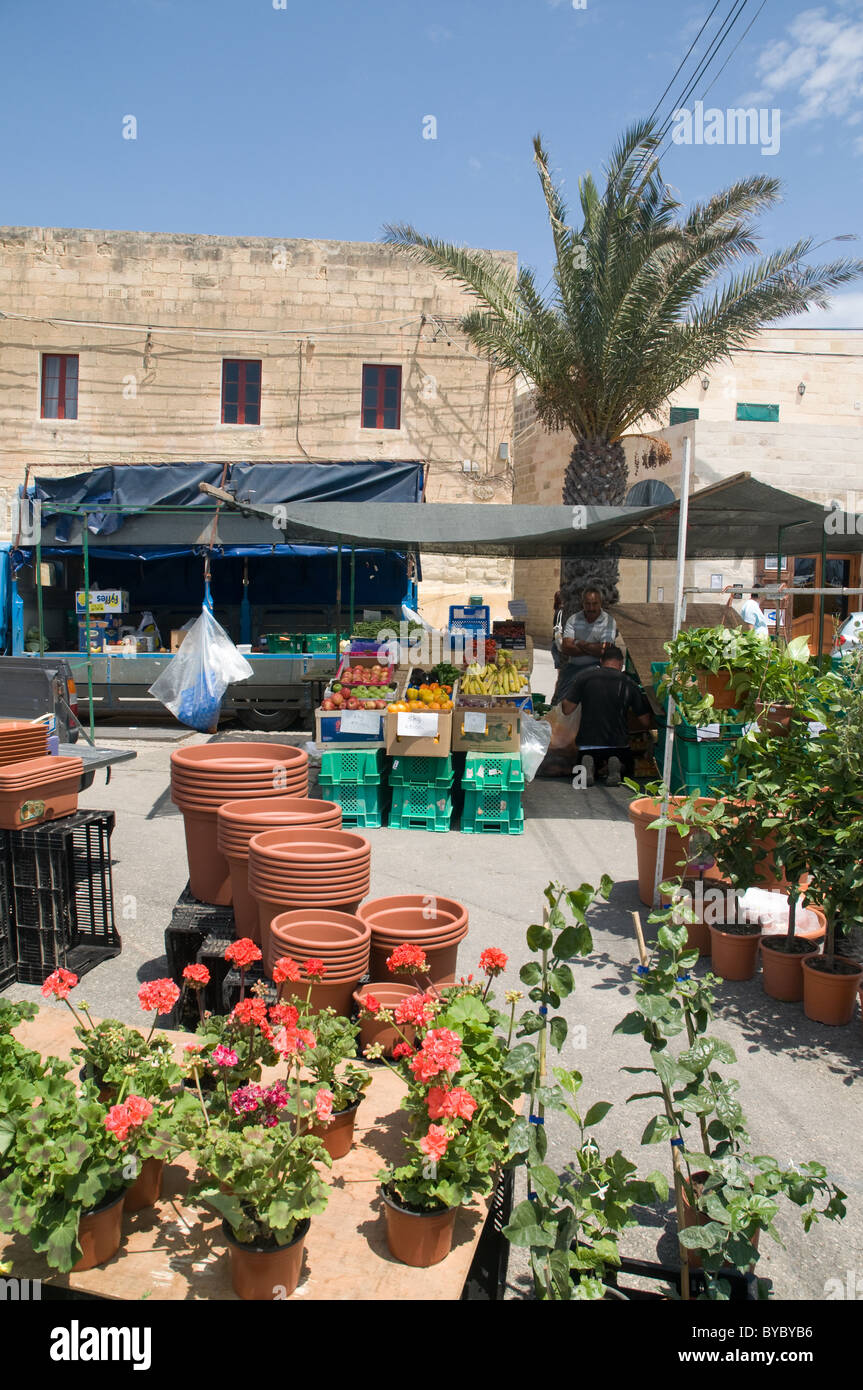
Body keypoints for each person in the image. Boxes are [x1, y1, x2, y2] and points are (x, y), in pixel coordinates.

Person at [561, 645, 652, 786]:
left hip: (587, 743)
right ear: (621, 663)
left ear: (601, 661)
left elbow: (566, 709)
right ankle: (617, 765)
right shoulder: (628, 683)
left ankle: (588, 763)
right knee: (627, 766)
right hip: (618, 744)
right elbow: (645, 721)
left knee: (587, 757)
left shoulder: (584, 677)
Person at [552, 585, 619, 704]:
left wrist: (580, 643)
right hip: (573, 668)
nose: (591, 607)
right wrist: (593, 646)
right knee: (562, 703)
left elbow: (604, 650)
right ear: (583, 604)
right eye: (588, 603)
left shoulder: (608, 622)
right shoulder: (574, 619)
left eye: (595, 603)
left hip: (596, 669)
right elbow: (566, 648)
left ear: (600, 604)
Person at [551, 590, 564, 671]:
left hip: (555, 643)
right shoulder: (561, 612)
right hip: (559, 644)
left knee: (560, 673)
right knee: (561, 673)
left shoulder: (556, 611)